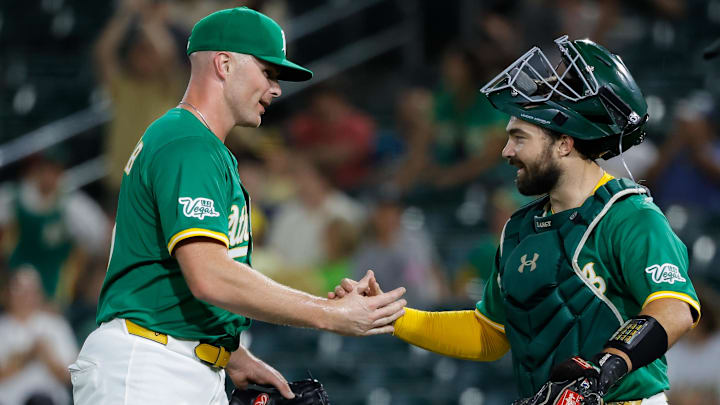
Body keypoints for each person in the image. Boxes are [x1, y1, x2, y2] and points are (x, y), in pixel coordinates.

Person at [332, 36, 701, 404]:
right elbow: (489, 333)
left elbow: (674, 307)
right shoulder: (519, 229)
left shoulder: (628, 215)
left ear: (564, 143)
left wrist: (606, 367)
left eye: (519, 138)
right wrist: (393, 317)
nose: (506, 151)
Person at [69, 7, 406, 405]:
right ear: (225, 64)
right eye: (268, 72)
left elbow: (180, 277)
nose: (276, 88)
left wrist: (229, 352)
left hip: (178, 361)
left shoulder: (201, 146)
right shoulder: (187, 143)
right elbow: (209, 275)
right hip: (148, 366)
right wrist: (330, 314)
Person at [0, 267, 78, 405]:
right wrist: (27, 356)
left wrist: (47, 355)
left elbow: (72, 376)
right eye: (19, 291)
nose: (25, 297)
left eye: (30, 292)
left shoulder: (55, 324)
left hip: (49, 400)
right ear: (7, 294)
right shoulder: (3, 326)